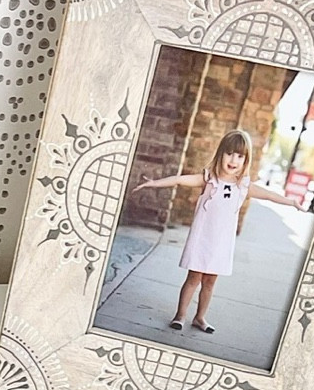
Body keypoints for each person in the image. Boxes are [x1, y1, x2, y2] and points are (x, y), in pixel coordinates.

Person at [130, 129, 305, 335]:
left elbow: (268, 195)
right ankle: (180, 315)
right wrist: (154, 183)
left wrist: (291, 201)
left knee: (210, 282)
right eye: (230, 153)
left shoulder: (243, 185)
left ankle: (200, 317)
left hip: (221, 244)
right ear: (221, 153)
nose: (234, 160)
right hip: (202, 239)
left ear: (245, 160)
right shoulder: (209, 179)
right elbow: (180, 179)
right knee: (194, 278)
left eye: (240, 156)